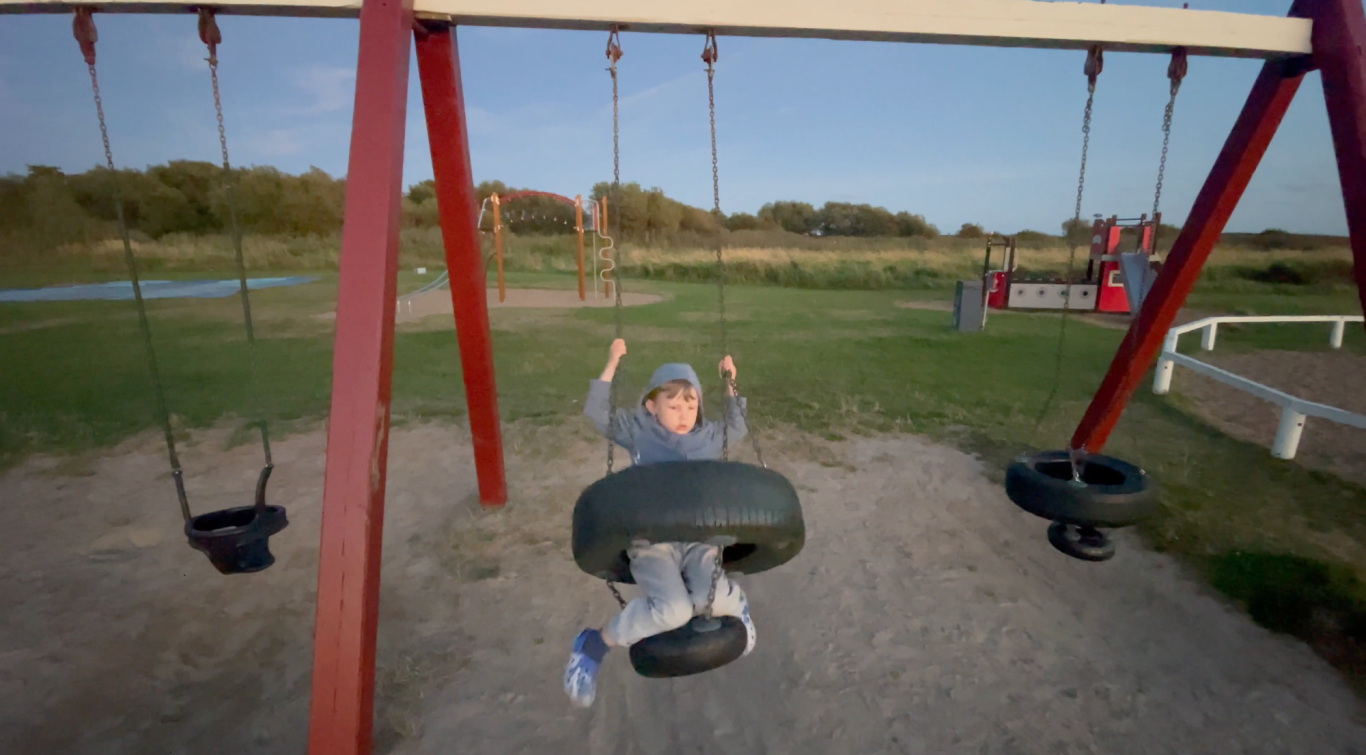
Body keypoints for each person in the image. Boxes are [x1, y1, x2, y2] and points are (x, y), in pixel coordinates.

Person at [563, 338, 756, 708]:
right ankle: (593, 645)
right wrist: (612, 363)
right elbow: (596, 412)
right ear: (651, 406)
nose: (684, 412)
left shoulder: (708, 437)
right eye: (673, 404)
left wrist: (731, 381)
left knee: (708, 598)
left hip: (698, 537)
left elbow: (739, 424)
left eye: (691, 402)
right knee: (674, 610)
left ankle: (739, 605)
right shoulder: (639, 431)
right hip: (650, 538)